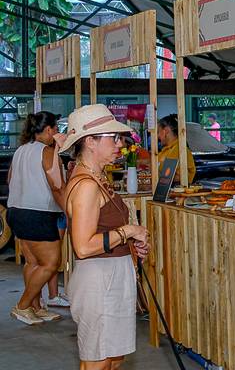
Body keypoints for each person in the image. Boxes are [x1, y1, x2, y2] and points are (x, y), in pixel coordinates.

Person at [59, 104, 150, 369]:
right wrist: (128, 231)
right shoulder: (86, 186)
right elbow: (83, 246)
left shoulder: (96, 177)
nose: (120, 144)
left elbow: (102, 229)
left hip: (110, 276)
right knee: (99, 360)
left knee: (112, 358)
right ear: (90, 141)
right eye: (113, 137)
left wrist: (129, 245)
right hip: (100, 281)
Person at [6, 111, 67, 324]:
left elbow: (10, 178)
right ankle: (23, 306)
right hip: (37, 213)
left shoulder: (21, 150)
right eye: (56, 128)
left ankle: (36, 307)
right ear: (48, 129)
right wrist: (69, 209)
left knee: (32, 262)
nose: (57, 132)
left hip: (16, 211)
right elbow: (57, 185)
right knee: (51, 263)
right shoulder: (47, 151)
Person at [157, 114, 196, 183]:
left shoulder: (179, 149)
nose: (158, 136)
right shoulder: (167, 150)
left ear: (166, 131)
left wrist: (151, 167)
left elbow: (170, 177)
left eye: (158, 132)